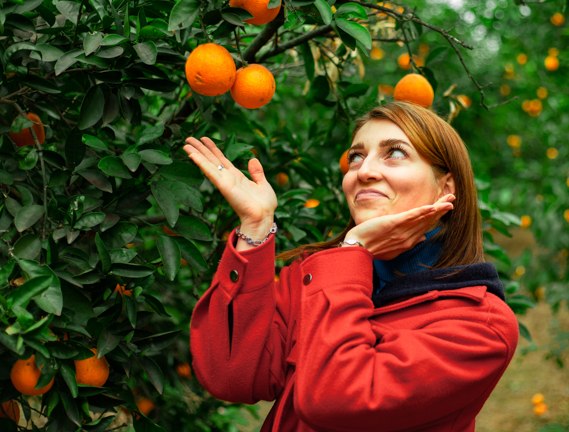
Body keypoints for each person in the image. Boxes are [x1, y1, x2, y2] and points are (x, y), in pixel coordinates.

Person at [185, 102, 519, 432]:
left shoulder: (480, 327)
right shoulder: (314, 277)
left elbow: (334, 401)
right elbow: (231, 376)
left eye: (395, 153)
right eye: (356, 156)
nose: (363, 171)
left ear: (446, 187)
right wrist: (256, 228)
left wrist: (353, 252)